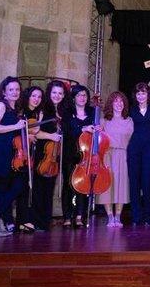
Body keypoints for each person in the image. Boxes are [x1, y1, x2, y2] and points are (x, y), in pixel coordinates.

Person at [0, 76, 26, 237]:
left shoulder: (14, 109)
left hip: (11, 153)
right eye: (11, 90)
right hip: (1, 152)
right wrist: (16, 126)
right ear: (4, 92)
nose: (14, 92)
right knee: (5, 187)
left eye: (17, 89)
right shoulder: (1, 105)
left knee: (9, 187)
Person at [32, 80, 68, 231]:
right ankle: (37, 221)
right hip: (43, 152)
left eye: (60, 93)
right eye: (54, 92)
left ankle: (45, 222)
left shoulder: (64, 111)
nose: (57, 95)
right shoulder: (43, 110)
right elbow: (34, 132)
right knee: (39, 188)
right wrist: (51, 136)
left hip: (56, 154)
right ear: (49, 93)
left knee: (49, 189)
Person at [61, 85, 95, 229]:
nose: (82, 98)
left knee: (84, 185)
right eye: (79, 95)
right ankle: (68, 216)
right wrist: (83, 128)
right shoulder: (67, 113)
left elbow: (96, 131)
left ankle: (80, 215)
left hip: (86, 154)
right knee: (69, 185)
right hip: (70, 153)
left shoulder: (93, 112)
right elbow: (68, 131)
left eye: (85, 95)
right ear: (73, 97)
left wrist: (98, 128)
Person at [98, 91, 133, 226]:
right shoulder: (103, 121)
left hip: (123, 155)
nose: (119, 104)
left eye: (121, 101)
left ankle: (118, 217)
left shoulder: (129, 121)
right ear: (111, 103)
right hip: (107, 155)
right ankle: (110, 217)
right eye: (115, 101)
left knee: (121, 186)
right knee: (108, 186)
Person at [127, 82, 150, 226]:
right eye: (138, 93)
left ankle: (148, 216)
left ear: (148, 94)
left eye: (143, 93)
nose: (141, 96)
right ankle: (135, 215)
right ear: (135, 95)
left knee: (148, 183)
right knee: (134, 182)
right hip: (133, 149)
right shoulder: (130, 110)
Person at [15, 85, 44, 233]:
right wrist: (27, 135)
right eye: (34, 96)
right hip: (18, 154)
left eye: (39, 97)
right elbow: (16, 130)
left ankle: (25, 221)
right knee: (20, 187)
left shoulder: (38, 113)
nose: (36, 99)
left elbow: (37, 131)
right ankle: (21, 220)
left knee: (28, 188)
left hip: (31, 155)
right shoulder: (21, 111)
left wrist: (39, 121)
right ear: (28, 96)